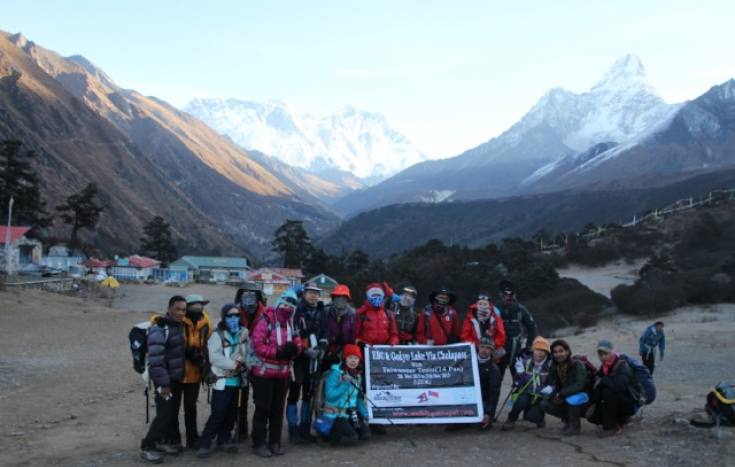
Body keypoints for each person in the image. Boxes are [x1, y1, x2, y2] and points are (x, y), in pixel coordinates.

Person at [250, 289, 302, 457]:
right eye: (285, 303)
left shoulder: (292, 323)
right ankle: (259, 442)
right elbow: (257, 344)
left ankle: (275, 441)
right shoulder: (266, 319)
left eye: (292, 304)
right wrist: (278, 352)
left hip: (283, 373)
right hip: (264, 372)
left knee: (278, 409)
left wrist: (293, 351)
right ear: (279, 302)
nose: (288, 307)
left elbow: (298, 344)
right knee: (263, 408)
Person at [196, 304, 248, 458]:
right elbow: (214, 357)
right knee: (218, 413)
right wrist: (235, 364)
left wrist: (245, 363)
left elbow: (248, 350)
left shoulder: (244, 332)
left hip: (238, 380)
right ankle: (205, 442)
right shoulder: (216, 335)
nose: (234, 319)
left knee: (232, 413)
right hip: (222, 380)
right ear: (224, 317)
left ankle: (223, 440)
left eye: (236, 315)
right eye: (230, 315)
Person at [140, 296, 187, 464]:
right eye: (178, 309)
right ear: (169, 308)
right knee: (164, 415)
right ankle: (147, 447)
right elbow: (156, 360)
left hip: (175, 380)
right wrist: (163, 384)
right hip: (165, 383)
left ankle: (161, 442)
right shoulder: (159, 329)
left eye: (183, 310)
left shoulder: (178, 327)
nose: (181, 313)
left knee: (171, 413)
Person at [166, 294, 212, 451]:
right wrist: (186, 351)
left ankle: (192, 439)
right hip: (175, 373)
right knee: (173, 408)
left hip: (194, 373)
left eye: (200, 307)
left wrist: (202, 360)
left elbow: (208, 344)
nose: (197, 310)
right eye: (193, 308)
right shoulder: (175, 322)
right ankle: (174, 439)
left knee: (190, 408)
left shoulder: (206, 324)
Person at [287, 282, 328, 442]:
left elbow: (325, 332)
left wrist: (321, 348)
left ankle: (305, 428)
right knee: (294, 393)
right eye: (310, 292)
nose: (313, 295)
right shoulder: (296, 311)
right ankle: (292, 429)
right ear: (304, 294)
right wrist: (303, 350)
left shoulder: (321, 311)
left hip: (315, 358)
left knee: (309, 393)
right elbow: (293, 333)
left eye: (316, 293)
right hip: (298, 359)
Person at [233, 282, 267, 441]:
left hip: (260, 361)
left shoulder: (266, 314)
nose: (249, 298)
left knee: (260, 398)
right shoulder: (234, 313)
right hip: (239, 360)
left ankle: (258, 432)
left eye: (253, 294)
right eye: (245, 294)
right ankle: (240, 429)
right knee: (240, 396)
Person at [320, 344, 371, 446]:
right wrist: (344, 384)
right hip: (336, 413)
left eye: (356, 358)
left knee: (365, 434)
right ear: (345, 359)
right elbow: (330, 395)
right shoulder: (336, 374)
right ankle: (329, 433)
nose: (353, 361)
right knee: (351, 438)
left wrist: (365, 414)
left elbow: (357, 398)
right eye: (350, 357)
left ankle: (347, 428)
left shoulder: (357, 375)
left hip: (350, 411)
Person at [588, 340, 638, 437]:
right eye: (600, 354)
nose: (603, 357)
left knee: (608, 391)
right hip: (617, 401)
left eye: (605, 354)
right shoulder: (605, 367)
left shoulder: (622, 365)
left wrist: (603, 380)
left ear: (612, 352)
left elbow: (620, 386)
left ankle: (611, 427)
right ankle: (620, 420)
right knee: (592, 417)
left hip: (628, 402)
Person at [543, 339, 591, 436]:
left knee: (573, 398)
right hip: (565, 395)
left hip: (584, 397)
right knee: (544, 403)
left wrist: (561, 394)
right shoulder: (554, 367)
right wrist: (554, 395)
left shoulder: (577, 365)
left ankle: (575, 427)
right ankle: (568, 420)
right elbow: (551, 384)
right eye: (555, 352)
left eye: (561, 351)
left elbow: (579, 385)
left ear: (567, 351)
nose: (558, 354)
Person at [502, 336, 550, 431]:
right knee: (520, 402)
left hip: (540, 395)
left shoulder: (550, 365)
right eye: (538, 349)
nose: (540, 353)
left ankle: (539, 419)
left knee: (532, 416)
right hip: (525, 391)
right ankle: (511, 419)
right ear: (533, 350)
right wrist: (519, 373)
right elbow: (519, 383)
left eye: (543, 350)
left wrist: (551, 388)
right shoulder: (525, 362)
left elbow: (553, 381)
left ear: (547, 353)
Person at [496, 280, 537, 383]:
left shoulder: (521, 310)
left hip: (517, 352)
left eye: (511, 293)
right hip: (499, 351)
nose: (508, 296)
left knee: (520, 382)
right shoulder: (495, 310)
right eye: (506, 293)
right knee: (495, 383)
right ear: (501, 294)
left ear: (515, 294)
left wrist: (528, 347)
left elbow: (532, 327)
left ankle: (516, 399)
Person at [461, 292, 507, 357]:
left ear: (489, 305)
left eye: (485, 304)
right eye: (480, 303)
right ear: (476, 304)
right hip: (475, 349)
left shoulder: (496, 318)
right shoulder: (470, 318)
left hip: (492, 349)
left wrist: (493, 345)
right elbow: (465, 336)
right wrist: (478, 346)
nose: (482, 306)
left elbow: (501, 335)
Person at [354, 283, 400, 347]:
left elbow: (394, 334)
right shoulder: (361, 313)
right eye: (373, 295)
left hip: (384, 349)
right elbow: (355, 335)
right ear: (368, 297)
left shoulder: (388, 314)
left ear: (382, 296)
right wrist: (361, 344)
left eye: (379, 295)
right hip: (366, 350)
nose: (376, 297)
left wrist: (392, 343)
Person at [324, 284, 356, 368]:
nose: (340, 300)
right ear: (333, 299)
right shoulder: (326, 312)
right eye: (337, 297)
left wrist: (347, 352)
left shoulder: (353, 315)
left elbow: (353, 337)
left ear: (347, 299)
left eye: (343, 298)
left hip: (345, 353)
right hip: (327, 352)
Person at [477, 336, 502, 429]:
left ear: (492, 350)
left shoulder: (494, 369)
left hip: (483, 400)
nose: (484, 350)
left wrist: (489, 413)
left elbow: (494, 393)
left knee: (481, 424)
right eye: (482, 346)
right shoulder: (468, 362)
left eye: (488, 348)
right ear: (478, 347)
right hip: (468, 398)